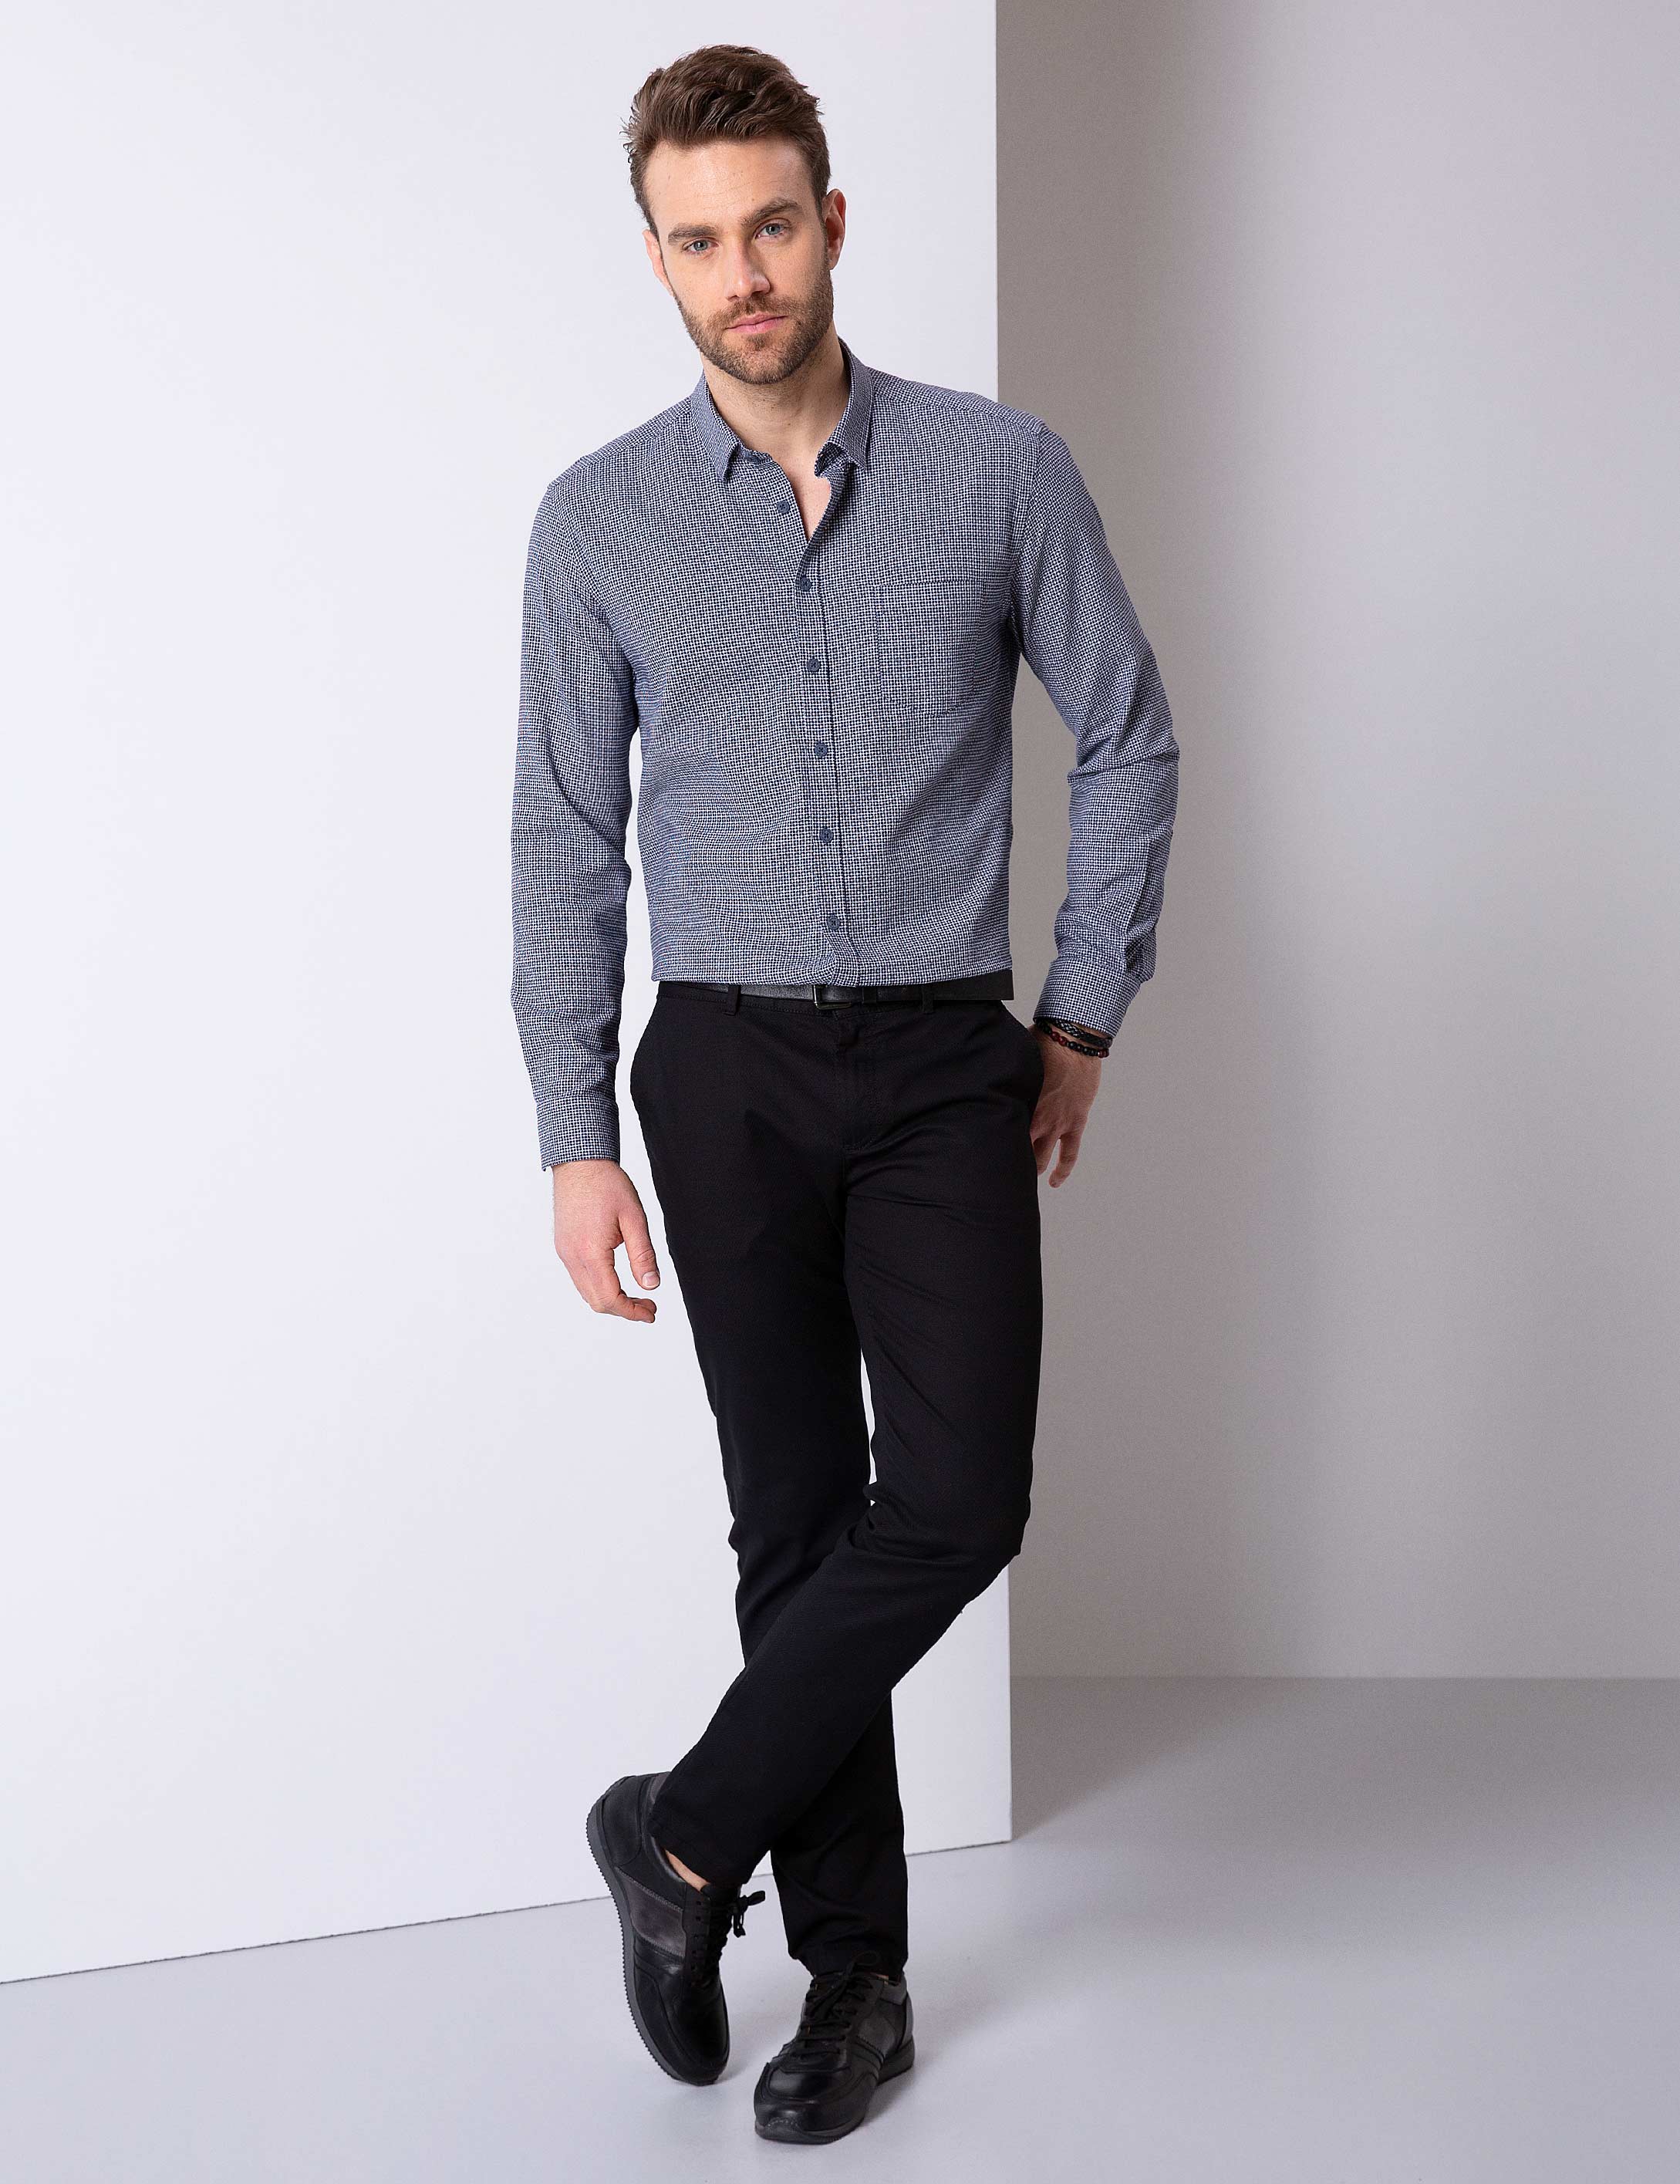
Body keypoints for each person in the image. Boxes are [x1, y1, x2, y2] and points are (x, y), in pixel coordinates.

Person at [511, 42, 1179, 2146]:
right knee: (795, 1523)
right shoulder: (597, 521)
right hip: (716, 1069)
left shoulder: (996, 473)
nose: (746, 274)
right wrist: (573, 1134)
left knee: (955, 1503)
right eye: (701, 240)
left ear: (830, 221)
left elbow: (1129, 732)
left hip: (937, 1057)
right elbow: (561, 840)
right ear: (657, 258)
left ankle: (679, 1835)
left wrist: (1079, 1015)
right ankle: (855, 1982)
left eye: (773, 226)